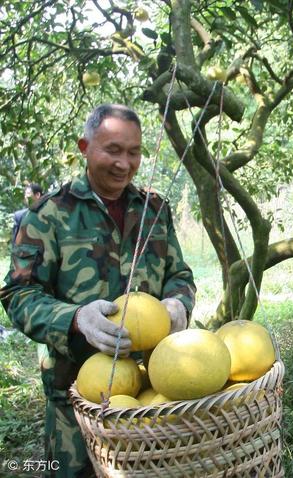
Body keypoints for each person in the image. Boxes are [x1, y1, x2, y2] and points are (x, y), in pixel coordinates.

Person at [0, 104, 196, 477]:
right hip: (76, 397)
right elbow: (19, 295)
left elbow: (179, 273)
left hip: (150, 395)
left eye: (134, 152)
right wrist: (76, 319)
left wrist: (178, 302)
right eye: (113, 150)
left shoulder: (154, 209)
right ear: (85, 146)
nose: (125, 163)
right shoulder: (49, 215)